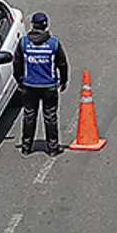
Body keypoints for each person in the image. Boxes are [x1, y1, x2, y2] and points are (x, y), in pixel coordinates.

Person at [14, 13, 69, 157]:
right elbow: (62, 63)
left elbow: (17, 64)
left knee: (29, 116)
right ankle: (52, 148)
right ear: (46, 25)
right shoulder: (54, 43)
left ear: (33, 25)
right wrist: (63, 81)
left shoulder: (24, 42)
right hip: (49, 86)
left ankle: (26, 147)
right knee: (50, 116)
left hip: (29, 85)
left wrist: (19, 81)